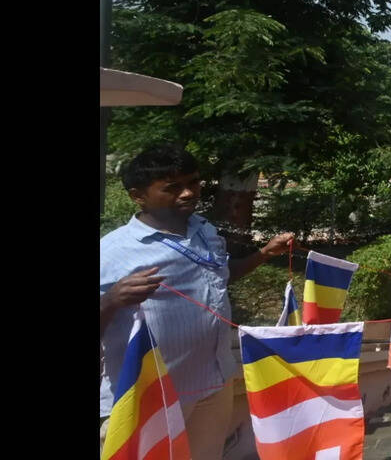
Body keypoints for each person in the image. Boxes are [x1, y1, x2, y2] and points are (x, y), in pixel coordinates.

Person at [100, 144, 294, 460]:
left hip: (213, 384)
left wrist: (261, 256)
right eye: (172, 188)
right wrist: (111, 300)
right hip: (150, 398)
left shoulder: (204, 231)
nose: (189, 193)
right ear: (139, 196)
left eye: (193, 182)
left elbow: (217, 278)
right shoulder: (111, 252)